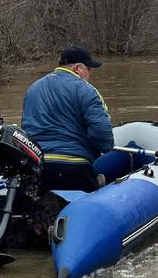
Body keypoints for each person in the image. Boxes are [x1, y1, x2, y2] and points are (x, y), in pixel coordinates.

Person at [21, 46, 113, 192]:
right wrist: (103, 148)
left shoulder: (33, 88)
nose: (89, 74)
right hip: (74, 166)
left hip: (37, 166)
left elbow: (26, 127)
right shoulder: (86, 90)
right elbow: (102, 134)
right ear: (77, 68)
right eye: (88, 69)